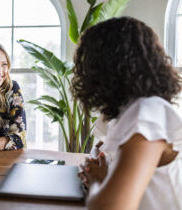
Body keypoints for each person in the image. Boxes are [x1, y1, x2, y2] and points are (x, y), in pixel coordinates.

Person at [71, 17, 182, 210]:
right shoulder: (132, 111)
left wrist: (98, 180)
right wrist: (106, 176)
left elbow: (109, 207)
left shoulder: (148, 113)